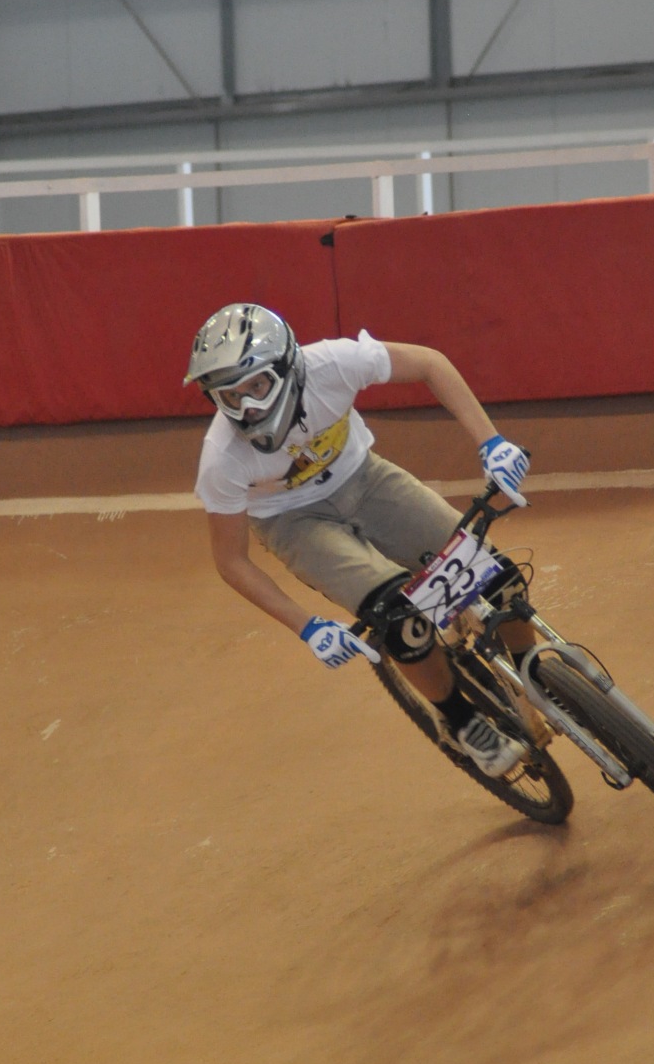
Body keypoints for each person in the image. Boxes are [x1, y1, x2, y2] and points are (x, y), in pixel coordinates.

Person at [186, 302, 534, 778]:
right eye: (230, 396)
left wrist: (490, 442)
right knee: (399, 621)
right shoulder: (222, 458)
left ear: (288, 367)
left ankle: (533, 672)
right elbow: (231, 561)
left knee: (499, 579)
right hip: (293, 521)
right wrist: (307, 627)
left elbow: (430, 363)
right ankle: (458, 719)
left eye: (257, 387)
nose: (248, 408)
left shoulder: (332, 364)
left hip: (367, 480)